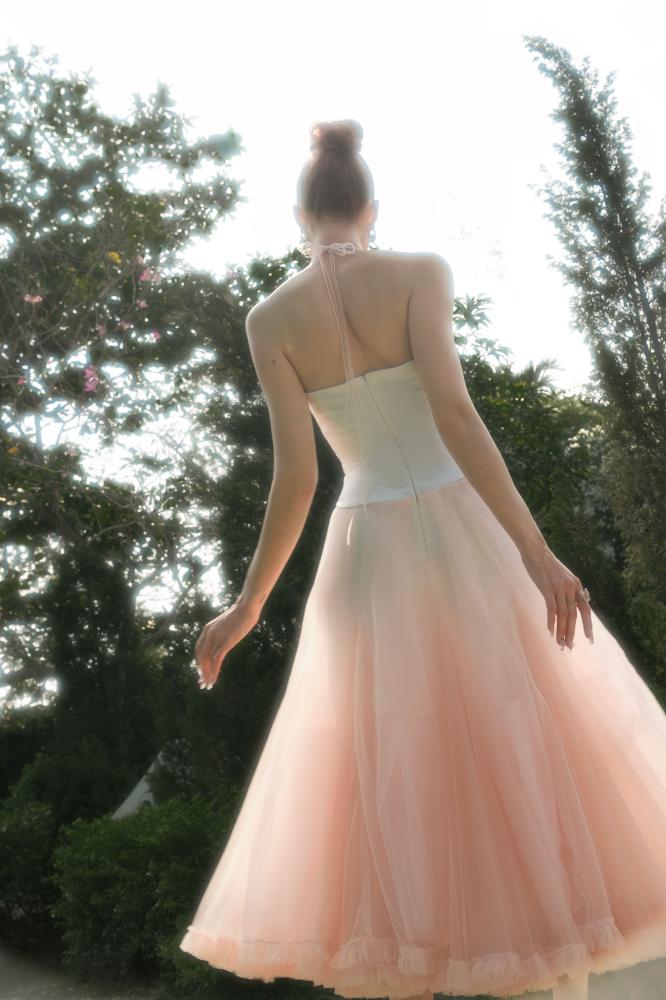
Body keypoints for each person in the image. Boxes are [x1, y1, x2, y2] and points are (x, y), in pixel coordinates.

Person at [179, 119, 666, 1000]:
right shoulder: (420, 273)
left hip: (365, 559)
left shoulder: (269, 320)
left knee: (389, 771)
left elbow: (298, 479)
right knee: (517, 742)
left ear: (299, 217)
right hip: (461, 537)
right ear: (372, 208)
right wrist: (538, 554)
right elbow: (455, 415)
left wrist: (248, 604)